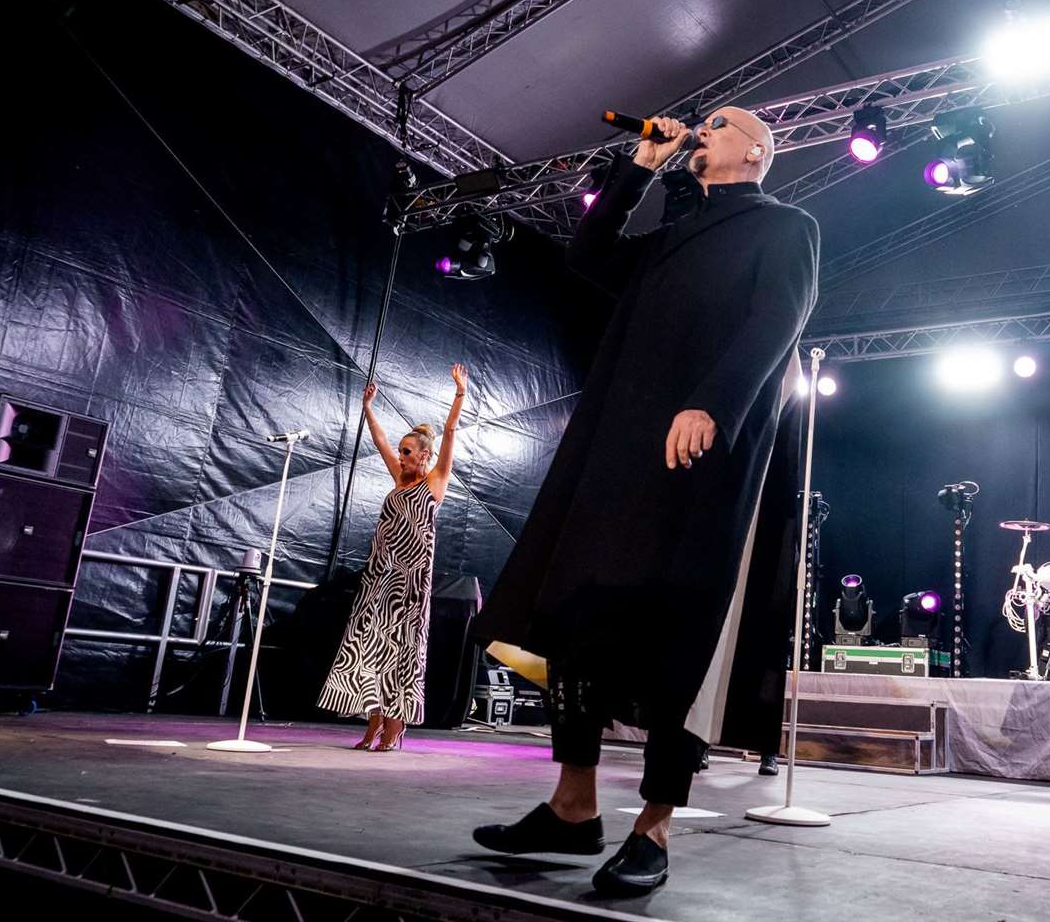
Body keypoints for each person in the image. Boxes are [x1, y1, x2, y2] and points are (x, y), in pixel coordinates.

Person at [471, 106, 818, 897]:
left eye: (719, 125)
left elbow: (777, 322)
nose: (702, 129)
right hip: (618, 449)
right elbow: (588, 254)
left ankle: (653, 825)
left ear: (757, 150)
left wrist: (713, 404)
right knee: (577, 616)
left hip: (701, 454)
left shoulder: (785, 225)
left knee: (678, 631)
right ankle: (571, 808)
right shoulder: (673, 233)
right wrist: (639, 169)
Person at [318, 367, 468, 751]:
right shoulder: (398, 479)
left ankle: (394, 727)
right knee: (369, 647)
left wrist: (459, 395)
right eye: (399, 453)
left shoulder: (435, 482)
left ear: (424, 456)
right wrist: (368, 407)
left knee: (402, 653)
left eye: (406, 452)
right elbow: (379, 437)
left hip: (411, 585)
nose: (399, 457)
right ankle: (371, 725)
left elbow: (450, 434)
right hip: (379, 578)